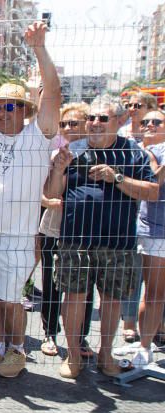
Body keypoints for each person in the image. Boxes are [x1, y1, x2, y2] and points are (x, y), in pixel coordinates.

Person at [0, 21, 62, 378]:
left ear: (24, 110)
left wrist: (39, 48)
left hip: (17, 235)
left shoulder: (39, 136)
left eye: (11, 107)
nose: (3, 113)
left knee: (12, 297)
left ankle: (17, 350)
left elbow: (53, 95)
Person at [44, 96, 158, 378]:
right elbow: (53, 191)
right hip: (76, 240)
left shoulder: (133, 153)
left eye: (102, 118)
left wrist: (116, 178)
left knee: (112, 300)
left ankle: (106, 355)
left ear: (119, 122)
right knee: (73, 297)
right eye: (91, 118)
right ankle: (73, 357)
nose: (94, 123)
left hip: (117, 241)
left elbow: (152, 192)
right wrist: (58, 168)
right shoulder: (73, 149)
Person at [37, 103, 92, 358]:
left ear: (87, 125)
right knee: (51, 283)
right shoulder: (54, 156)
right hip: (54, 226)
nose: (69, 128)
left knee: (85, 287)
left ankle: (81, 339)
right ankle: (50, 333)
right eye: (65, 124)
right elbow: (43, 191)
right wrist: (50, 200)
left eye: (75, 123)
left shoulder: (96, 155)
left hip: (84, 230)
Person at [133, 107, 165, 369]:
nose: (150, 125)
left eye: (157, 121)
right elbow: (153, 182)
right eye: (146, 121)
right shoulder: (141, 150)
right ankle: (145, 348)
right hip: (156, 230)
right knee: (154, 293)